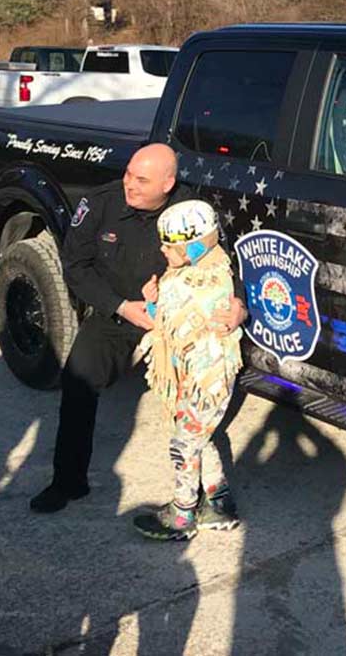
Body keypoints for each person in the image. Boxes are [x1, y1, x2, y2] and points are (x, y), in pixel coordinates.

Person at [30, 144, 247, 513]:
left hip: (174, 320)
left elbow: (224, 263)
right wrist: (121, 307)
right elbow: (75, 266)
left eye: (141, 180)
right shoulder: (101, 203)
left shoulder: (190, 212)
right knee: (78, 381)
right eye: (129, 173)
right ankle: (68, 482)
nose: (129, 184)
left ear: (168, 183)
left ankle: (208, 494)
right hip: (118, 311)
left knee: (188, 406)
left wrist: (238, 305)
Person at [133, 200, 243, 541]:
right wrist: (153, 300)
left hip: (207, 381)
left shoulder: (198, 282)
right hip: (195, 377)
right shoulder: (204, 269)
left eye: (170, 245)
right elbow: (166, 321)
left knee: (183, 443)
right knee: (199, 436)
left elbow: (165, 320)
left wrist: (155, 301)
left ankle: (182, 514)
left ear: (195, 245)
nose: (163, 251)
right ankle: (219, 503)